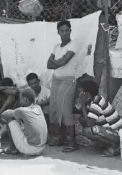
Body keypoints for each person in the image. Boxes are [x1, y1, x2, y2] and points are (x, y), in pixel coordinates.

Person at [47, 20, 80, 152]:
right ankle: (61, 138)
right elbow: (49, 64)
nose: (65, 32)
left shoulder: (74, 44)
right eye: (62, 30)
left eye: (67, 30)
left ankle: (73, 142)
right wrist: (58, 62)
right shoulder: (56, 46)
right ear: (58, 32)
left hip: (68, 80)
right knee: (55, 109)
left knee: (65, 109)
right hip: (56, 80)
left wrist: (57, 62)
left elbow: (64, 60)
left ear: (70, 31)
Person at [78, 80, 122, 157]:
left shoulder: (96, 102)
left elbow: (89, 123)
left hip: (117, 134)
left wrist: (82, 105)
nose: (79, 95)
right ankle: (110, 144)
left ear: (87, 93)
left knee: (88, 131)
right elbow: (83, 119)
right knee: (85, 124)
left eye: (81, 92)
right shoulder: (93, 100)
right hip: (112, 131)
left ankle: (116, 146)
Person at [0, 88, 48, 156]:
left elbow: (3, 115)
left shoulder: (22, 110)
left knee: (9, 119)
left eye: (20, 99)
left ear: (25, 99)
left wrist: (9, 104)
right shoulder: (38, 107)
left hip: (29, 149)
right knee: (20, 122)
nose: (20, 101)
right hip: (41, 148)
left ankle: (12, 149)